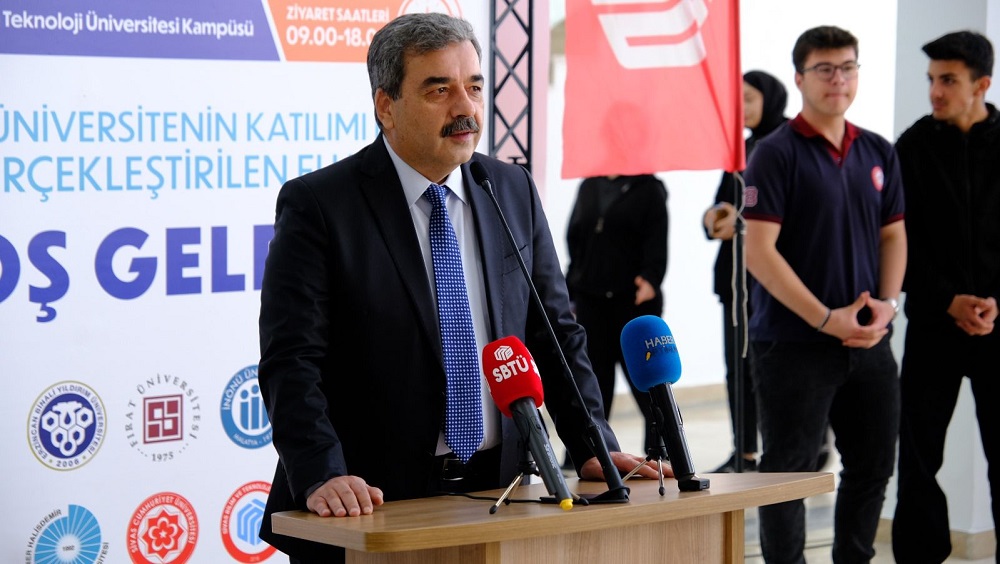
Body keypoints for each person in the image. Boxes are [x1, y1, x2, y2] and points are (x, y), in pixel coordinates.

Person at [256, 13, 663, 563]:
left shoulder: (509, 187)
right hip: (368, 500)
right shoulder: (322, 205)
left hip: (502, 490)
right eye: (439, 90)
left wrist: (593, 445)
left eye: (473, 86)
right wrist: (322, 472)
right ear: (386, 106)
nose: (465, 108)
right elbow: (292, 358)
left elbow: (554, 332)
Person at [742, 26, 906, 563]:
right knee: (788, 476)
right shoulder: (774, 153)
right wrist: (824, 319)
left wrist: (887, 305)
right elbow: (759, 252)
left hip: (870, 341)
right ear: (800, 77)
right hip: (793, 344)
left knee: (873, 466)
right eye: (825, 69)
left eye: (848, 67)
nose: (839, 79)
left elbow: (893, 235)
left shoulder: (877, 150)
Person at [892, 30, 999, 564]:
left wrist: (996, 301)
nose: (935, 91)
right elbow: (896, 242)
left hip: (999, 327)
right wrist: (947, 300)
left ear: (982, 85)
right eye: (932, 79)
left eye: (948, 80)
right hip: (934, 327)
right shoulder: (911, 147)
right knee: (917, 457)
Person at [703, 70, 788, 473]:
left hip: (773, 280)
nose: (742, 108)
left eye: (749, 98)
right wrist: (713, 217)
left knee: (775, 368)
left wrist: (743, 221)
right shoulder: (739, 150)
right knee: (737, 367)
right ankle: (745, 451)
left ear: (771, 98)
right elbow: (722, 202)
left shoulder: (788, 144)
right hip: (735, 280)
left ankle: (784, 447)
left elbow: (791, 211)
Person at [565, 174, 667, 456]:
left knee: (648, 384)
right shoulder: (589, 185)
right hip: (592, 301)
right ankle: (589, 452)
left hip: (633, 301)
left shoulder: (649, 188)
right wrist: (572, 286)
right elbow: (575, 237)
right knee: (593, 384)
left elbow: (657, 238)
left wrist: (652, 277)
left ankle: (660, 452)